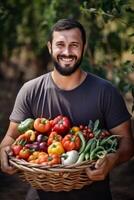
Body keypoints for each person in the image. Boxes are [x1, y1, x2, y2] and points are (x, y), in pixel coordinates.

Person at [0, 18, 134, 200]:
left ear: (84, 48)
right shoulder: (30, 90)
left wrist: (113, 159)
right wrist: (4, 152)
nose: (67, 52)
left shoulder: (106, 92)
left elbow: (127, 143)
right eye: (60, 44)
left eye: (74, 45)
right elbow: (10, 137)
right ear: (49, 47)